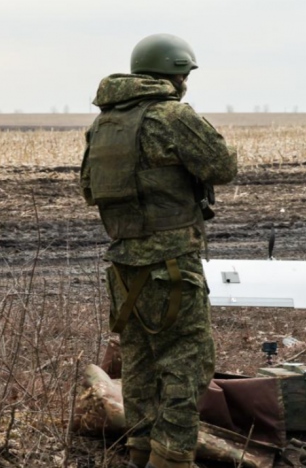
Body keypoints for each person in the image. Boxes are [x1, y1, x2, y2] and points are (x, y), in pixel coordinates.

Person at [79, 33, 238, 467]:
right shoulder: (172, 116)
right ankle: (172, 458)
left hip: (124, 264)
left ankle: (141, 451)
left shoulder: (104, 124)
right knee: (187, 360)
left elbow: (89, 189)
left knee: (140, 362)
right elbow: (222, 166)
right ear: (177, 74)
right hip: (172, 264)